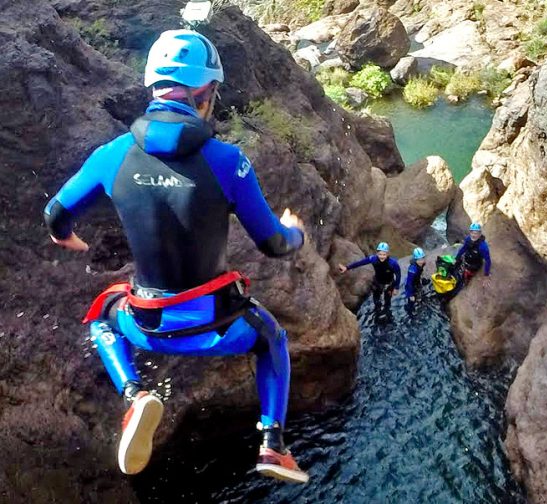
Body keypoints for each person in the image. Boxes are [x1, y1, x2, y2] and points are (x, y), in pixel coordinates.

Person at [43, 29, 309, 483]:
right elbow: (274, 244)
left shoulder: (113, 154)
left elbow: (56, 215)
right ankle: (273, 445)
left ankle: (134, 393)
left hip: (145, 325)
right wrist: (297, 233)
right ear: (206, 94)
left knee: (102, 316)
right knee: (272, 337)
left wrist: (68, 237)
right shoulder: (229, 161)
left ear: (152, 89)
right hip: (218, 328)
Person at [338, 242, 401, 313]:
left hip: (389, 283)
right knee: (376, 300)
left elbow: (398, 275)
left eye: (384, 254)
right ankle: (377, 310)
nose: (382, 257)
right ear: (377, 253)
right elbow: (360, 263)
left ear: (388, 254)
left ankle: (386, 311)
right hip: (377, 282)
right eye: (380, 254)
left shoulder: (393, 263)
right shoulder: (373, 259)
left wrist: (396, 288)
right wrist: (347, 268)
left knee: (387, 300)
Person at [404, 247, 426, 314]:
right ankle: (409, 311)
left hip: (417, 281)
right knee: (411, 301)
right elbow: (409, 283)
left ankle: (418, 301)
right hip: (411, 284)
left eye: (422, 259)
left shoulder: (422, 263)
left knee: (419, 295)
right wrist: (410, 295)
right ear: (415, 259)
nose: (421, 261)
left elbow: (420, 271)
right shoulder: (412, 269)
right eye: (419, 260)